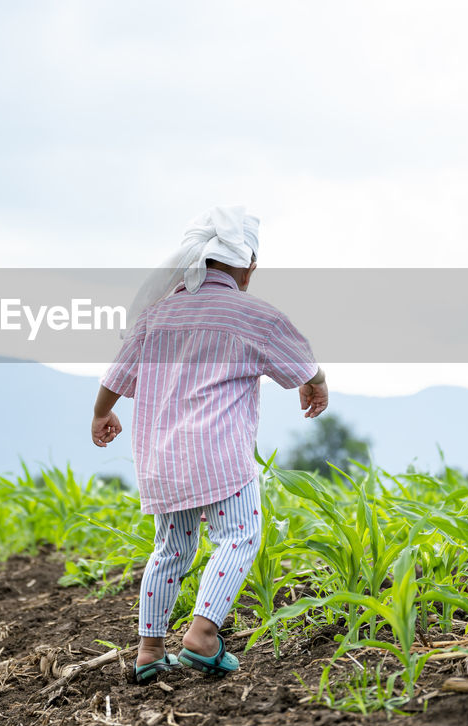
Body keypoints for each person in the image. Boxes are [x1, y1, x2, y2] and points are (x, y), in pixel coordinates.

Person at [90, 206, 327, 684]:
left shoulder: (157, 314)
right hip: (220, 456)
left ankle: (149, 650)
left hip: (162, 459)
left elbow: (115, 376)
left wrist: (101, 413)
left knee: (171, 549)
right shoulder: (255, 315)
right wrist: (315, 384)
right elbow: (303, 362)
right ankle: (201, 635)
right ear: (248, 265)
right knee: (239, 537)